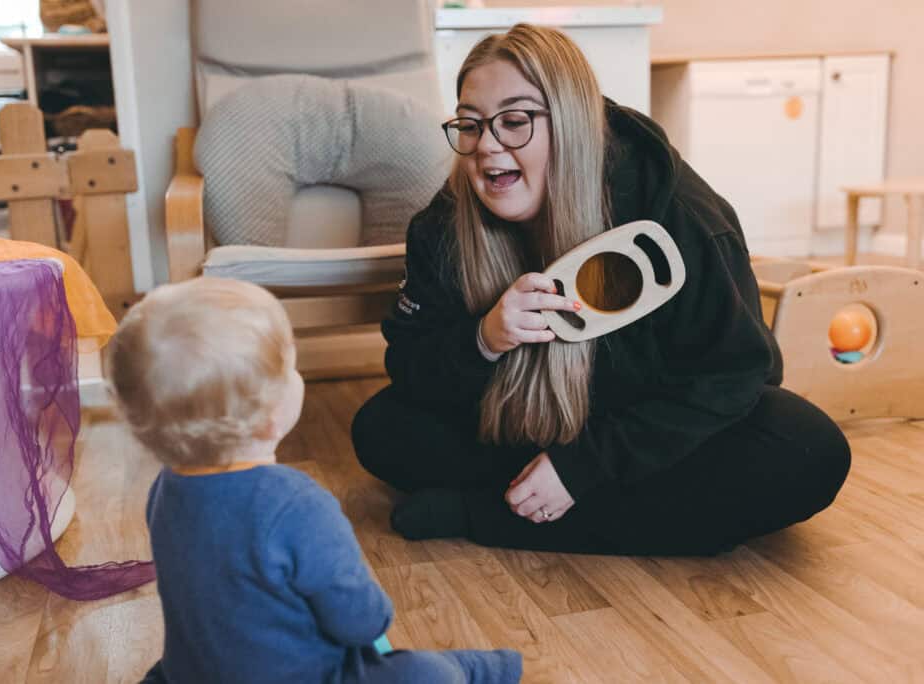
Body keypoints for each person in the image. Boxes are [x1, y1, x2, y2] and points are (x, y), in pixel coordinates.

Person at [351, 24, 851, 557]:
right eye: (470, 125)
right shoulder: (443, 226)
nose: (487, 146)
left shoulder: (680, 216)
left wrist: (583, 467)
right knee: (381, 428)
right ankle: (575, 505)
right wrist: (485, 338)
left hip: (641, 428)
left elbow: (736, 376)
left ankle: (492, 514)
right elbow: (409, 364)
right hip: (525, 421)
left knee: (808, 450)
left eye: (515, 121)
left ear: (571, 123)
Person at [106, 278, 522, 684]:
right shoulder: (294, 504)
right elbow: (361, 621)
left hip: (197, 672)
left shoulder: (165, 490)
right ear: (270, 417)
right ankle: (475, 669)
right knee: (421, 672)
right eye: (291, 367)